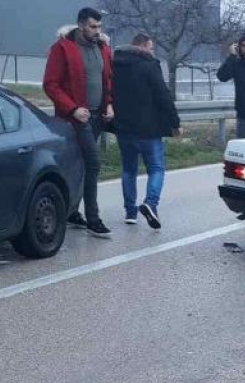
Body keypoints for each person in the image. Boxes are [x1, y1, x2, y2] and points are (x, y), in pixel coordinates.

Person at [43, 7, 114, 237]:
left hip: (97, 118)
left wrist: (109, 104)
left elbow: (107, 80)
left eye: (99, 26)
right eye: (93, 26)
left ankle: (71, 211)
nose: (97, 31)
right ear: (81, 25)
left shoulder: (103, 48)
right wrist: (73, 109)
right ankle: (93, 219)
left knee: (79, 166)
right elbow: (51, 84)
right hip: (75, 118)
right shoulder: (62, 48)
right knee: (93, 164)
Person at [111, 33, 181, 230]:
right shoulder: (149, 65)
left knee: (128, 170)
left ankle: (130, 212)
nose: (153, 51)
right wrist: (175, 122)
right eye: (151, 48)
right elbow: (163, 94)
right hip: (148, 128)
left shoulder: (115, 65)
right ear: (142, 47)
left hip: (123, 127)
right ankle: (151, 203)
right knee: (156, 168)